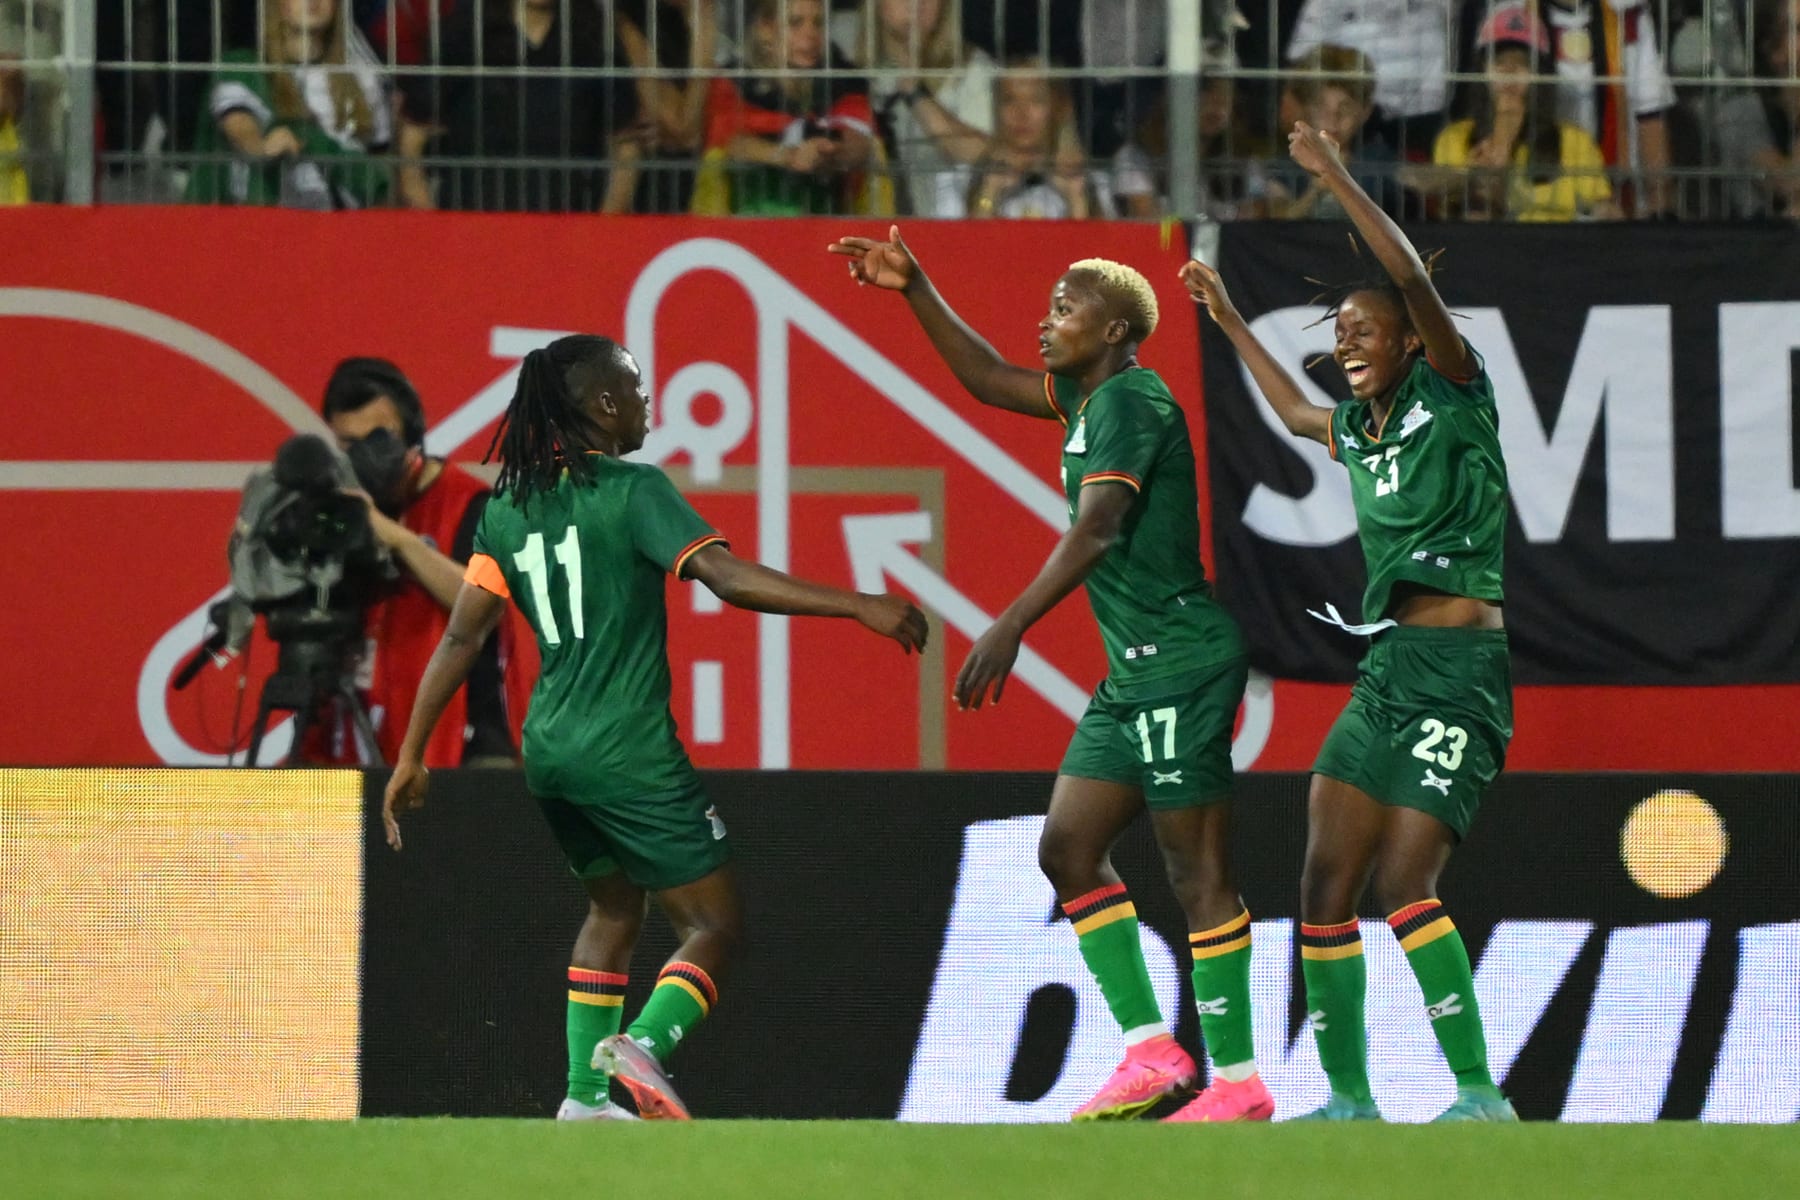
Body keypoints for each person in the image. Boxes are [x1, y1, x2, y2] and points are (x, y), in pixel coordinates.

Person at [382, 335, 928, 1121]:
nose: (646, 404)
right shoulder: (633, 491)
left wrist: (409, 752)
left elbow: (465, 636)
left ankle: (582, 1101)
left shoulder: (508, 507)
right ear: (603, 405)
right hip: (626, 749)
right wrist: (857, 603)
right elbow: (725, 576)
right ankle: (643, 1046)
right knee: (716, 924)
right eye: (636, 390)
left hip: (551, 753)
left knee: (612, 910)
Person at [828, 227, 1271, 1123]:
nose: (1047, 322)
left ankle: (1240, 1082)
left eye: (1066, 310)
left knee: (1196, 874)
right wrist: (915, 288)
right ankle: (1152, 1051)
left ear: (1115, 331)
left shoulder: (1134, 403)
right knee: (1067, 849)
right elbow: (988, 377)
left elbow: (1099, 526)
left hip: (1181, 665)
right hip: (1134, 675)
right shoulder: (1086, 401)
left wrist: (1010, 624)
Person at [1181, 119, 1517, 1123]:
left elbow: (1409, 275)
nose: (1350, 342)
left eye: (1367, 331)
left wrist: (1331, 177)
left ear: (1412, 340)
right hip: (1388, 675)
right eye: (1341, 336)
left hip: (1462, 671)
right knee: (1325, 879)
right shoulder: (1358, 434)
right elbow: (1291, 413)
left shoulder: (1456, 394)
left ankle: (1477, 1093)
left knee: (1407, 883)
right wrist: (1231, 315)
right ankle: (1348, 1101)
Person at [309, 357, 534, 768]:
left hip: (467, 744)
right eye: (347, 444)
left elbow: (485, 602)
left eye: (377, 437)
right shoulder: (341, 509)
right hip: (366, 733)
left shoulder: (471, 504)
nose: (364, 456)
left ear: (412, 433)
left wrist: (396, 538)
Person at [400, 0, 644, 213]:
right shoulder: (462, 34)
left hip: (569, 228)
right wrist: (432, 225)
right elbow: (411, 141)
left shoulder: (593, 39)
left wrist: (603, 228)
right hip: (471, 227)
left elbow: (626, 146)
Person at [186, 0, 421, 209]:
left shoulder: (362, 77)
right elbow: (238, 124)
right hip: (263, 224)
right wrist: (262, 147)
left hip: (342, 231)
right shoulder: (242, 66)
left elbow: (378, 166)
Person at [1429, 5, 1617, 221]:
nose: (1510, 71)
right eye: (1499, 61)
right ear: (1482, 73)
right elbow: (1453, 219)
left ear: (1542, 76)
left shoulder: (1575, 142)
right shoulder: (1455, 139)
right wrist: (1489, 163)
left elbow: (1605, 217)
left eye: (1522, 62)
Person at [694, 0, 881, 215]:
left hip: (831, 216)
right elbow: (725, 142)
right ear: (765, 29)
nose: (810, 34)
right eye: (795, 23)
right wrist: (788, 156)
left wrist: (831, 153)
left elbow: (861, 138)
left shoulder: (844, 78)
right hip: (747, 220)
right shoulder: (735, 79)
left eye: (818, 23)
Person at [834, 0, 997, 216]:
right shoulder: (840, 44)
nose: (916, 4)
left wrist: (916, 94)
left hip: (944, 228)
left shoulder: (975, 71)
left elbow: (987, 157)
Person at [1267, 44, 1420, 220]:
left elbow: (1421, 180)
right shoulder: (1286, 166)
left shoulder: (1377, 159)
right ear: (1305, 109)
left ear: (1364, 112)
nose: (1332, 119)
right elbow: (1277, 222)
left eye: (1345, 108)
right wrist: (1317, 189)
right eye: (1320, 106)